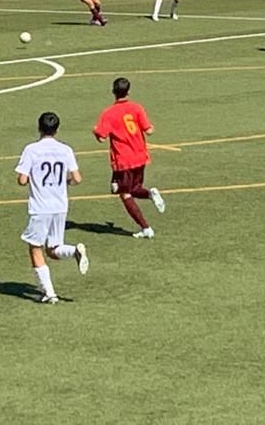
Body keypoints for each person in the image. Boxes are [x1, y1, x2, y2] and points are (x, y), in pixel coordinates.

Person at [16, 112, 89, 304]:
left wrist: (33, 178)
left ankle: (49, 293)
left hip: (41, 207)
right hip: (60, 205)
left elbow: (22, 180)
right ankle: (74, 251)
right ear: (56, 129)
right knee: (53, 249)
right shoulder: (65, 149)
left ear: (39, 128)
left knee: (35, 248)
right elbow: (77, 178)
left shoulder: (31, 149)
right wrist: (65, 182)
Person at [93, 77, 165, 239]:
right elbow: (149, 130)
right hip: (140, 155)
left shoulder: (109, 113)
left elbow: (102, 137)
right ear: (129, 92)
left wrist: (95, 131)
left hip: (123, 159)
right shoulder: (137, 108)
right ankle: (150, 194)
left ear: (113, 92)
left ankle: (146, 228)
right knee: (134, 188)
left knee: (124, 193)